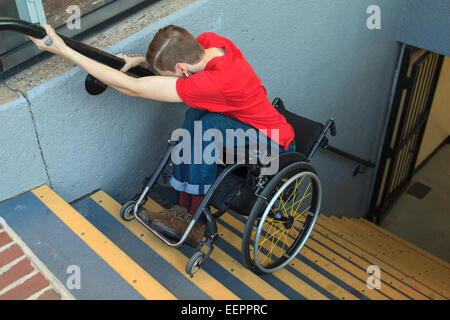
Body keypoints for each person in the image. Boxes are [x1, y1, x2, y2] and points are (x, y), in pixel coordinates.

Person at [28, 24, 295, 246]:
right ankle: (183, 210)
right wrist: (142, 60)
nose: (165, 77)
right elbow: (182, 61)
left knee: (208, 126)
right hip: (249, 126)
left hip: (272, 145)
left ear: (181, 69)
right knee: (195, 117)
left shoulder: (212, 83)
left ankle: (195, 221)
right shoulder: (210, 43)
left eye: (166, 73)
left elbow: (132, 88)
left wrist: (63, 50)